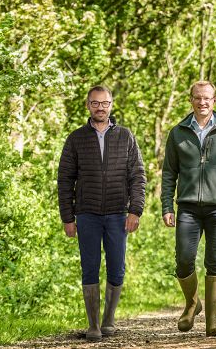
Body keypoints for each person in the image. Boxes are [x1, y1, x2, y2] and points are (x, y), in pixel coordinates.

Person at [161, 80, 216, 337]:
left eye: (207, 98)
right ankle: (192, 303)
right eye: (198, 97)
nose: (202, 102)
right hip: (187, 206)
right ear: (191, 100)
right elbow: (169, 173)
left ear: (215, 101)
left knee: (215, 260)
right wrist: (167, 205)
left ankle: (213, 320)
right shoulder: (178, 132)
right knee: (183, 260)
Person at [58, 85, 146, 341]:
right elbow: (65, 179)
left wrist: (135, 210)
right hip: (87, 213)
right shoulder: (76, 138)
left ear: (111, 105)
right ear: (88, 105)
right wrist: (67, 217)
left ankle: (109, 319)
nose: (100, 107)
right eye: (95, 103)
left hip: (118, 213)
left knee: (117, 267)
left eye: (104, 103)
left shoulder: (126, 136)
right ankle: (93, 325)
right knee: (89, 267)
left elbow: (137, 176)